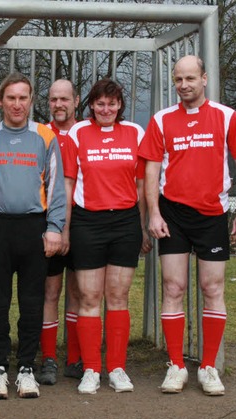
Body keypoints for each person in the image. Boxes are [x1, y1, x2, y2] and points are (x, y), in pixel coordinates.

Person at [138, 55, 236, 396]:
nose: (184, 85)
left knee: (212, 289)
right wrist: (153, 214)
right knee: (173, 288)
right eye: (178, 79)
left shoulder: (227, 116)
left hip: (212, 215)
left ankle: (207, 367)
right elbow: (150, 171)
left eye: (190, 78)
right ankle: (176, 365)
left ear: (204, 78)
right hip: (172, 215)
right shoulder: (160, 120)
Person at [0, 72, 66, 399]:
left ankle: (25, 368)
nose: (17, 104)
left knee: (32, 301)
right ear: (0, 102)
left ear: (31, 100)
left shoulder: (46, 136)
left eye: (23, 98)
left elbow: (56, 188)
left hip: (33, 229)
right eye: (11, 98)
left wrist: (54, 228)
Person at [64, 78, 152, 394]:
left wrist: (142, 226)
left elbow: (142, 186)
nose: (106, 109)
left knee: (118, 296)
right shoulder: (78, 133)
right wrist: (65, 228)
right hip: (88, 222)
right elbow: (68, 184)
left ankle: (116, 368)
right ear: (90, 105)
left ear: (120, 106)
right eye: (100, 103)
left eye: (112, 103)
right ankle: (90, 369)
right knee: (88, 297)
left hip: (125, 222)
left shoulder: (135, 133)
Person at [38, 79, 83, 385]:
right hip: (48, 223)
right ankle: (49, 357)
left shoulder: (86, 133)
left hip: (83, 220)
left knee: (80, 292)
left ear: (76, 101)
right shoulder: (40, 134)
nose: (58, 105)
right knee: (50, 292)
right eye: (53, 99)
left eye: (64, 99)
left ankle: (76, 356)